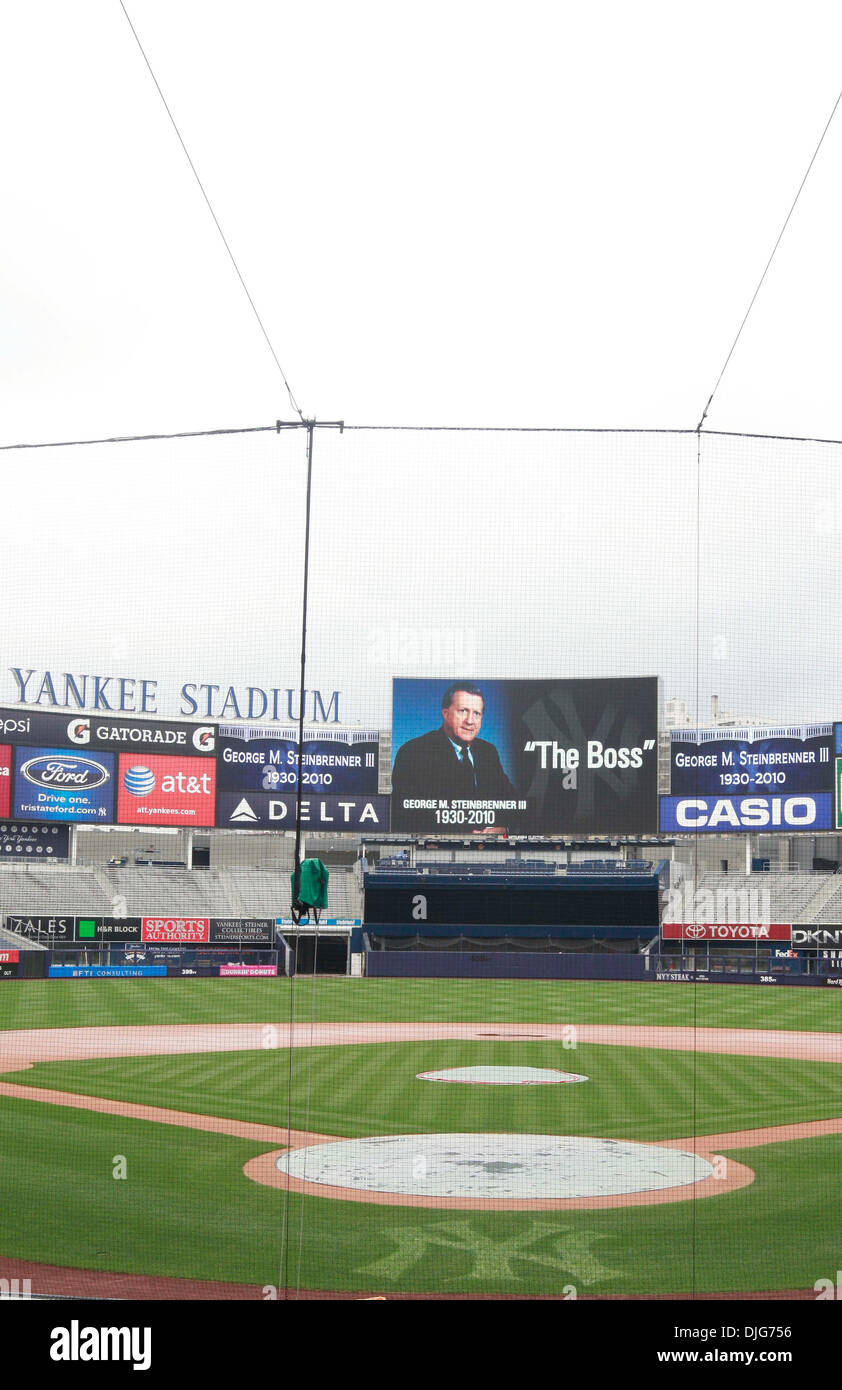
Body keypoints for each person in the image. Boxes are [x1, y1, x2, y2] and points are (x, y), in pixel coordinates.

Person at [391, 683, 515, 825]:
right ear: (445, 713)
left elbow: (513, 804)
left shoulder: (488, 752)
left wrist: (504, 829)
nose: (470, 721)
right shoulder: (414, 752)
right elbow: (405, 815)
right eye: (463, 711)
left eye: (476, 713)